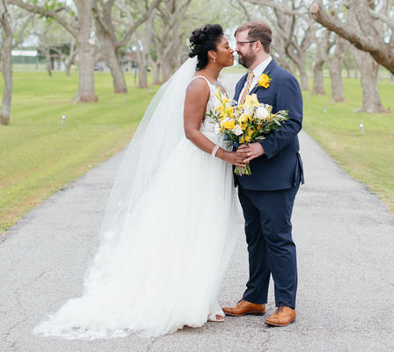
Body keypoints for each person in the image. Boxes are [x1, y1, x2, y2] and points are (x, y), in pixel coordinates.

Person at [34, 24, 247, 339]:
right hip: (197, 167)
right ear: (212, 53)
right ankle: (176, 301)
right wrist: (223, 154)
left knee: (207, 228)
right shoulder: (198, 85)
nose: (233, 50)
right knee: (186, 228)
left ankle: (200, 298)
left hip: (215, 167)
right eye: (228, 46)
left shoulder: (221, 86)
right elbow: (191, 131)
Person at [222, 20, 304, 328]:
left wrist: (262, 147)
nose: (236, 48)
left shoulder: (283, 80)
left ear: (257, 45)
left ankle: (286, 305)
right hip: (248, 176)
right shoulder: (244, 82)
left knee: (278, 239)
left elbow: (293, 123)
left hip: (276, 176)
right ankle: (255, 298)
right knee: (254, 238)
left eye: (240, 43)